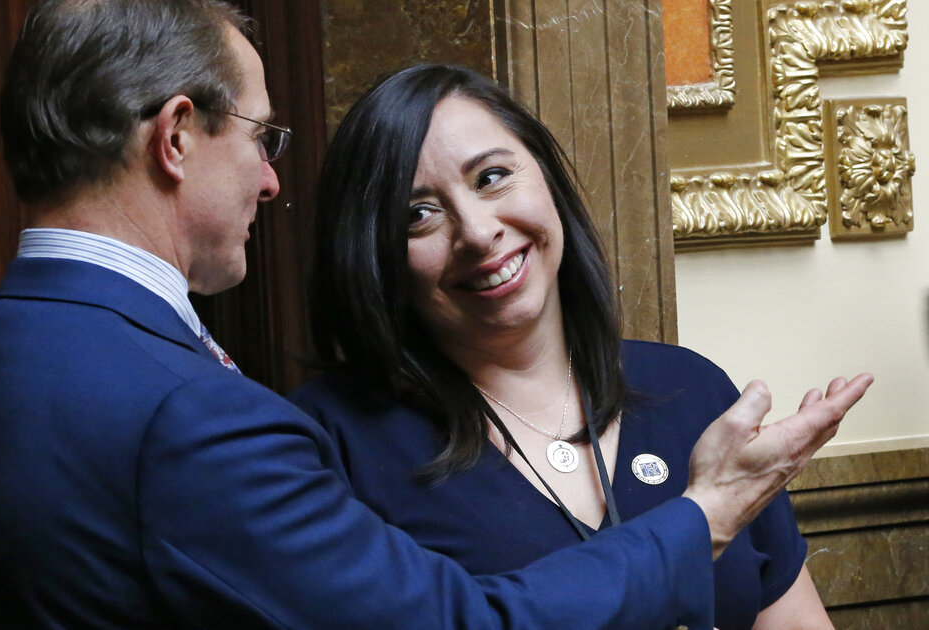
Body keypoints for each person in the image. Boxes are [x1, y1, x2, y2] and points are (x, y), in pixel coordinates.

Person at [0, 0, 870, 627]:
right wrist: (701, 517)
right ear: (175, 137)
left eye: (497, 176)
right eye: (263, 136)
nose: (272, 183)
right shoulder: (202, 414)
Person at [290, 64, 870, 630]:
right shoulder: (329, 442)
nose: (477, 230)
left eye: (491, 177)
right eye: (418, 214)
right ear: (372, 253)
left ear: (546, 177)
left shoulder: (691, 389)